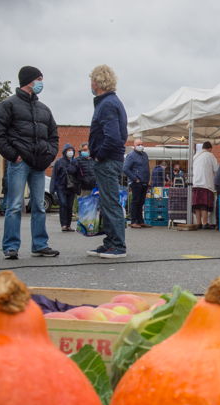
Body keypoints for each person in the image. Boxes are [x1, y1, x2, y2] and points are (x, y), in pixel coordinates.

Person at [0, 65, 59, 260]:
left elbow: (54, 135)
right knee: (14, 205)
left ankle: (40, 245)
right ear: (30, 80)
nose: (41, 83)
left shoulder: (44, 109)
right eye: (39, 79)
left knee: (39, 205)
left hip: (38, 164)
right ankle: (11, 246)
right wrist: (13, 155)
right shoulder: (8, 105)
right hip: (19, 163)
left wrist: (49, 154)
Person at [87, 64, 128, 259]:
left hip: (107, 160)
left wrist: (98, 155)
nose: (90, 84)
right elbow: (122, 134)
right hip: (112, 159)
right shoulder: (113, 102)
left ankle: (117, 245)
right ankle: (110, 242)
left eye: (91, 80)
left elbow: (113, 137)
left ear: (97, 82)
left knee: (110, 202)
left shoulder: (106, 105)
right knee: (108, 201)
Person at [123, 138, 150, 228]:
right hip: (136, 182)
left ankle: (140, 220)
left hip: (144, 181)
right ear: (134, 145)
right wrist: (135, 179)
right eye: (138, 144)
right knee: (135, 201)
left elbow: (146, 168)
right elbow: (125, 169)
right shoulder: (131, 155)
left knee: (141, 202)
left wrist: (148, 180)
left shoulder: (145, 155)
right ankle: (133, 221)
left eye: (142, 144)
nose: (140, 146)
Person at [191, 141, 218, 229]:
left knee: (197, 205)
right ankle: (205, 223)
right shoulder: (210, 155)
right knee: (204, 205)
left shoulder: (195, 156)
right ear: (210, 148)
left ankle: (198, 223)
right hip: (206, 183)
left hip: (195, 183)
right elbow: (216, 169)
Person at [50, 143, 77, 231]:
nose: (70, 152)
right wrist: (52, 188)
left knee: (69, 206)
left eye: (72, 150)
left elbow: (78, 175)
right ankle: (63, 225)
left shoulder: (75, 162)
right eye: (69, 150)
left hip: (71, 188)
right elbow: (54, 175)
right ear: (65, 152)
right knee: (63, 204)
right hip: (61, 187)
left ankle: (68, 225)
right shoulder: (59, 162)